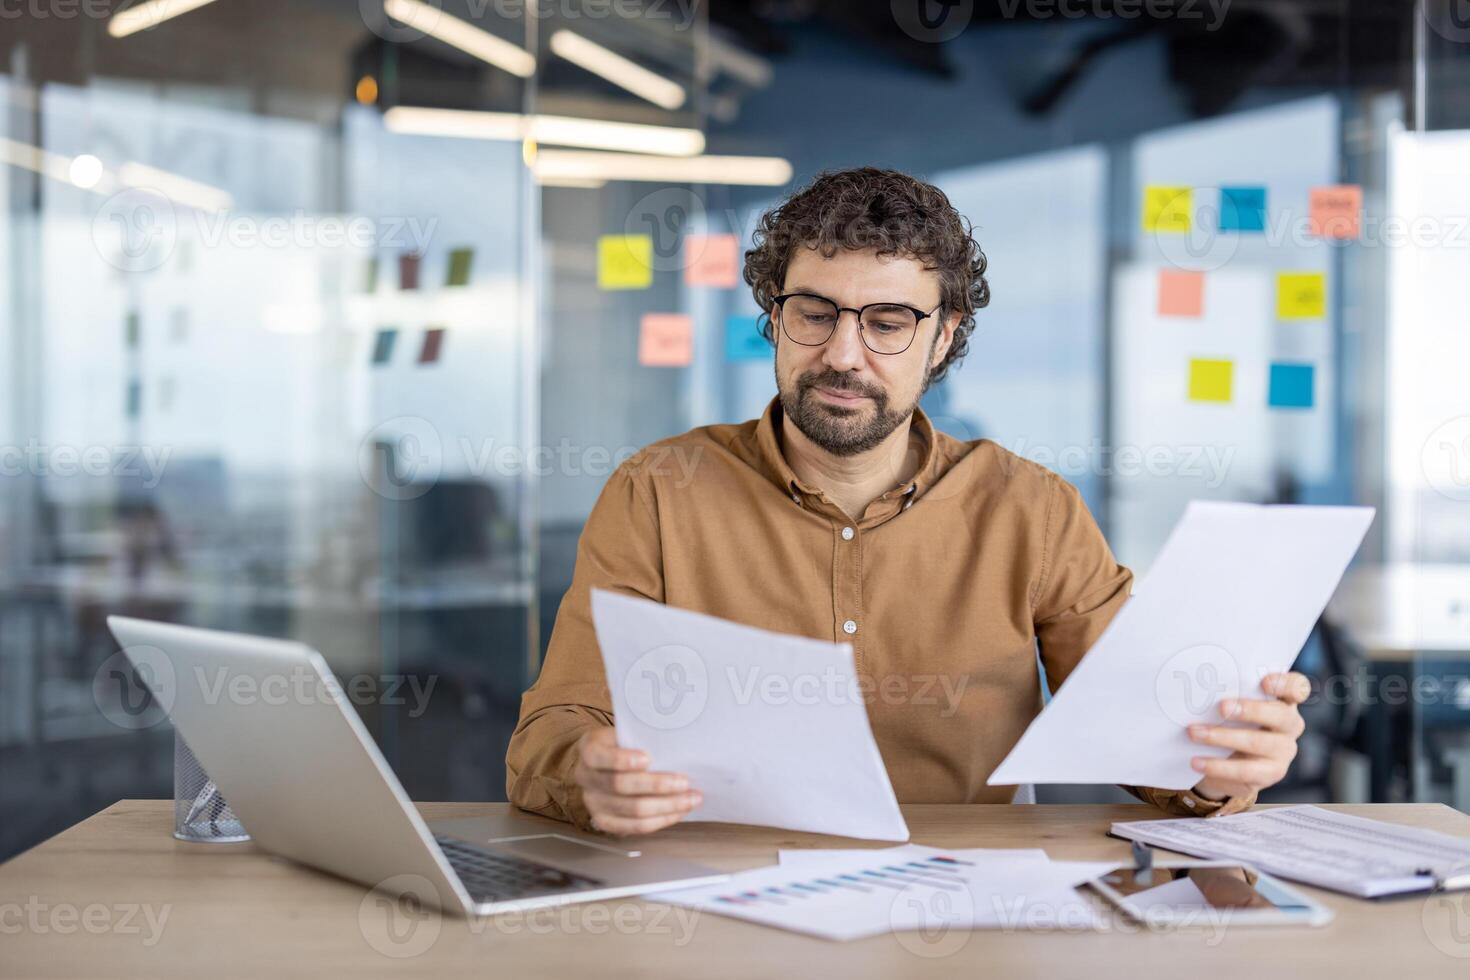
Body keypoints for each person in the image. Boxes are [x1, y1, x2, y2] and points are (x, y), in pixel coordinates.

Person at [507, 167, 1309, 836]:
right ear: (774, 318)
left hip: (965, 913)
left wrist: (1221, 760)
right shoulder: (657, 493)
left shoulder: (1031, 511)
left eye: (887, 322)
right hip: (719, 898)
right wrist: (589, 769)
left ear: (944, 336)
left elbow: (1156, 743)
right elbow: (551, 732)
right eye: (814, 314)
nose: (842, 355)